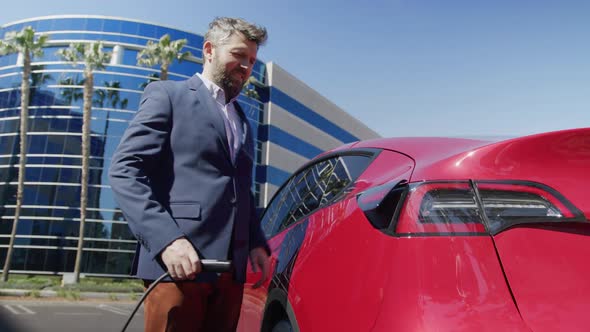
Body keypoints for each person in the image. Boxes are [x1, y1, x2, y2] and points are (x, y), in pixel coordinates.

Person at [108, 17, 270, 332]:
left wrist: (255, 242)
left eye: (251, 60)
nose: (246, 66)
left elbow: (240, 190)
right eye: (238, 54)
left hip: (230, 274)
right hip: (178, 267)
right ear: (209, 50)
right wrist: (167, 239)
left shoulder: (242, 119)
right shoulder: (168, 95)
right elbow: (125, 169)